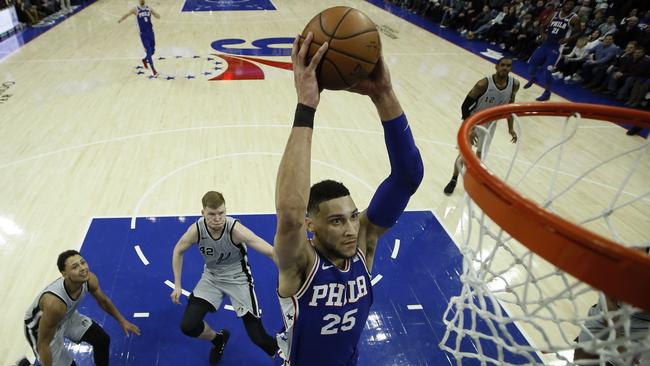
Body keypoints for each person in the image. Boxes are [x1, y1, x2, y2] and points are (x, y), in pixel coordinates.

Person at [273, 32, 424, 366]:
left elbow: (407, 177)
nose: (351, 228)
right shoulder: (300, 263)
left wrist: (384, 95)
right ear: (311, 226)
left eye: (353, 216)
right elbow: (289, 212)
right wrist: (306, 106)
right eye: (337, 221)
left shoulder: (364, 243)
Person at [171, 191, 278, 365]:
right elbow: (178, 251)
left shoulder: (235, 229)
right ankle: (218, 339)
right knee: (188, 326)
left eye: (221, 213)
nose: (217, 218)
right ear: (203, 213)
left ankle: (287, 358)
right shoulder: (196, 230)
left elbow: (271, 252)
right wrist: (177, 284)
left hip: (238, 278)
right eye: (212, 214)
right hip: (211, 277)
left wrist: (291, 273)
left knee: (258, 337)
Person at [21, 250, 140, 366]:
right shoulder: (55, 305)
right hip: (41, 330)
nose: (83, 268)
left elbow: (103, 301)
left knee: (101, 339)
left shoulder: (89, 279)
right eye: (75, 267)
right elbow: (43, 344)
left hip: (67, 316)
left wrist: (122, 320)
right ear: (65, 274)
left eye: (83, 262)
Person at [443, 57, 519, 195]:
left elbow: (510, 108)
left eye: (508, 66)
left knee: (480, 155)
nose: (505, 68)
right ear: (496, 67)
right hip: (473, 120)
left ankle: (471, 181)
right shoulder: (483, 84)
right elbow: (465, 107)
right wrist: (470, 128)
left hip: (490, 124)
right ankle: (454, 179)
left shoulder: (514, 84)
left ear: (511, 68)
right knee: (464, 153)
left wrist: (511, 128)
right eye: (502, 65)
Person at [523, 0, 580, 101]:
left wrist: (568, 39)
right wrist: (543, 34)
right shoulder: (554, 14)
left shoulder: (574, 18)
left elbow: (578, 33)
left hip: (556, 49)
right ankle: (533, 78)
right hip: (545, 45)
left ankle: (547, 93)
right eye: (568, 4)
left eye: (571, 5)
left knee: (547, 71)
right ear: (564, 4)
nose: (569, 6)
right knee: (531, 65)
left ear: (573, 7)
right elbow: (542, 26)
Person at [118, 0, 160, 77]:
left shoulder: (148, 8)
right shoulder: (136, 9)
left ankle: (144, 60)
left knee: (152, 51)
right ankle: (154, 70)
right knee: (149, 50)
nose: (142, 0)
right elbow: (127, 14)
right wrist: (121, 19)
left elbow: (156, 15)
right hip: (143, 34)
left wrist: (157, 15)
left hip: (151, 32)